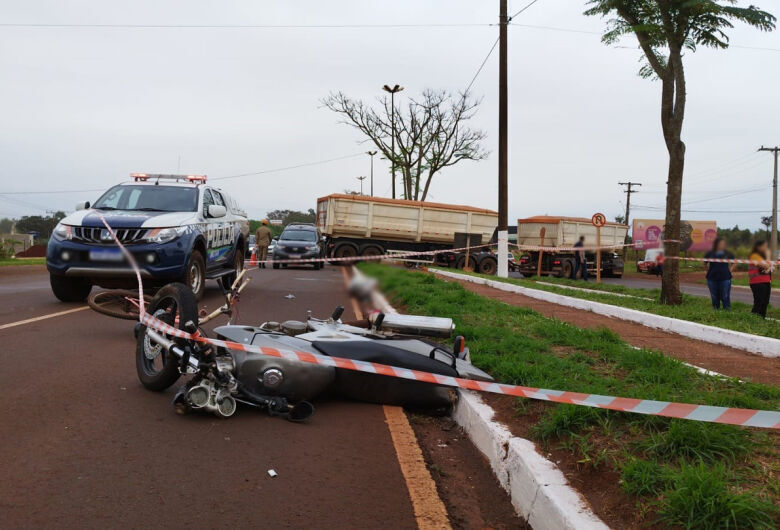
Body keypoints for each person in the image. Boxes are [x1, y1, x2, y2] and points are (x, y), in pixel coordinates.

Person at [703, 237, 736, 310]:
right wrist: (708, 271)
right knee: (714, 296)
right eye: (721, 244)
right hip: (712, 278)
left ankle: (727, 311)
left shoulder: (728, 253)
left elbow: (734, 263)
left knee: (725, 295)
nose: (723, 245)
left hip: (725, 278)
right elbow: (704, 263)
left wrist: (729, 271)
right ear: (716, 244)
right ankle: (716, 310)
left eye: (724, 244)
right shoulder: (710, 253)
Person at [748, 240, 773, 318]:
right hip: (757, 282)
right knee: (759, 302)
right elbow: (765, 266)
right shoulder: (754, 255)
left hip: (766, 281)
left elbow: (772, 267)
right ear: (758, 247)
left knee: (765, 302)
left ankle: (761, 319)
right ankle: (753, 319)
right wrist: (768, 257)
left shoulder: (762, 257)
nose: (766, 248)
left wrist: (769, 267)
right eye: (764, 246)